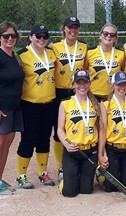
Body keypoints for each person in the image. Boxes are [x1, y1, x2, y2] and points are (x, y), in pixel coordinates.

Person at [16, 24, 56, 189]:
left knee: (44, 139)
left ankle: (42, 172)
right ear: (30, 37)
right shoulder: (22, 56)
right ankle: (21, 175)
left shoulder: (52, 53)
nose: (41, 39)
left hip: (49, 103)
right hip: (29, 104)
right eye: (38, 36)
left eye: (44, 37)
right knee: (28, 139)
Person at [57, 70, 107, 197]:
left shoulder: (96, 103)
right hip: (73, 151)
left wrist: (101, 153)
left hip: (90, 152)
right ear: (73, 84)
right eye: (78, 82)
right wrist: (66, 143)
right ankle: (66, 180)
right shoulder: (66, 103)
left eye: (85, 82)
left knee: (86, 190)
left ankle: (87, 175)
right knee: (69, 192)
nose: (82, 86)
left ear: (89, 84)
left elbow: (101, 130)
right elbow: (59, 129)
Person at [50, 16, 88, 182]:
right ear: (64, 29)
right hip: (59, 92)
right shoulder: (54, 47)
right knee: (59, 131)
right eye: (70, 27)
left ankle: (79, 161)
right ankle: (61, 166)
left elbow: (85, 70)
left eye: (76, 27)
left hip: (77, 91)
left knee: (79, 126)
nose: (73, 30)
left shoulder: (84, 48)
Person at [100, 71, 126, 192]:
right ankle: (101, 174)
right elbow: (103, 129)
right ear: (113, 85)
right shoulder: (105, 103)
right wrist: (102, 154)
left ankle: (121, 172)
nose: (122, 88)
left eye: (125, 84)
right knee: (111, 187)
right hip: (112, 148)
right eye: (119, 84)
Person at [0, 21, 24, 194]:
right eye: (6, 36)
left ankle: (0, 179)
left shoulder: (15, 56)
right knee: (0, 144)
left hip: (15, 107)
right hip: (2, 108)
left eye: (13, 36)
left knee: (7, 145)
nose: (10, 39)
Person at [85, 24, 124, 101]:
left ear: (115, 39)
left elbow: (123, 72)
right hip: (93, 96)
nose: (108, 36)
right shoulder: (89, 52)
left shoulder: (121, 54)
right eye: (105, 33)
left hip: (113, 96)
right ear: (100, 36)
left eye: (112, 35)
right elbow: (84, 70)